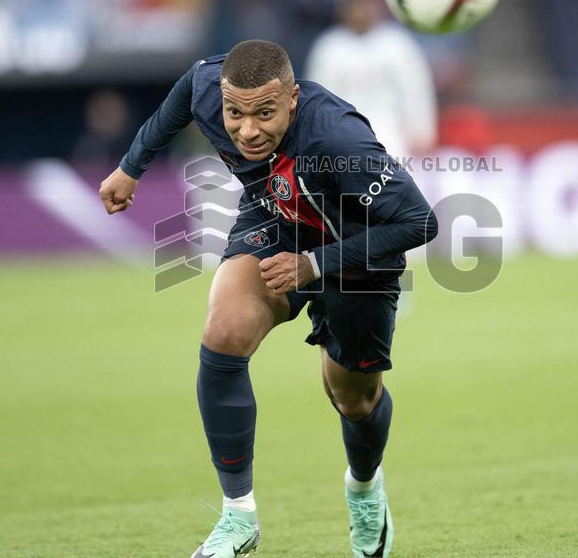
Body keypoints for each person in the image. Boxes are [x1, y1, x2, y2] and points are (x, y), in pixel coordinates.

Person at [99, 39, 437, 558]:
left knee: (353, 398)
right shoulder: (211, 90)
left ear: (294, 99)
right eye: (235, 113)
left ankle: (365, 489)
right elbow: (188, 88)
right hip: (276, 222)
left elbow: (419, 220)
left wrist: (314, 264)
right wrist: (131, 166)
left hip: (358, 255)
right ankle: (238, 517)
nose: (248, 130)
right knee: (224, 333)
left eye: (265, 113)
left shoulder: (339, 140)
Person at [305, 0, 437, 160]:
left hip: (391, 129)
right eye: (354, 8)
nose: (359, 14)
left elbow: (415, 87)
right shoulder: (330, 47)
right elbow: (318, 98)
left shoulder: (395, 42)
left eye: (363, 7)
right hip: (344, 132)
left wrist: (421, 128)